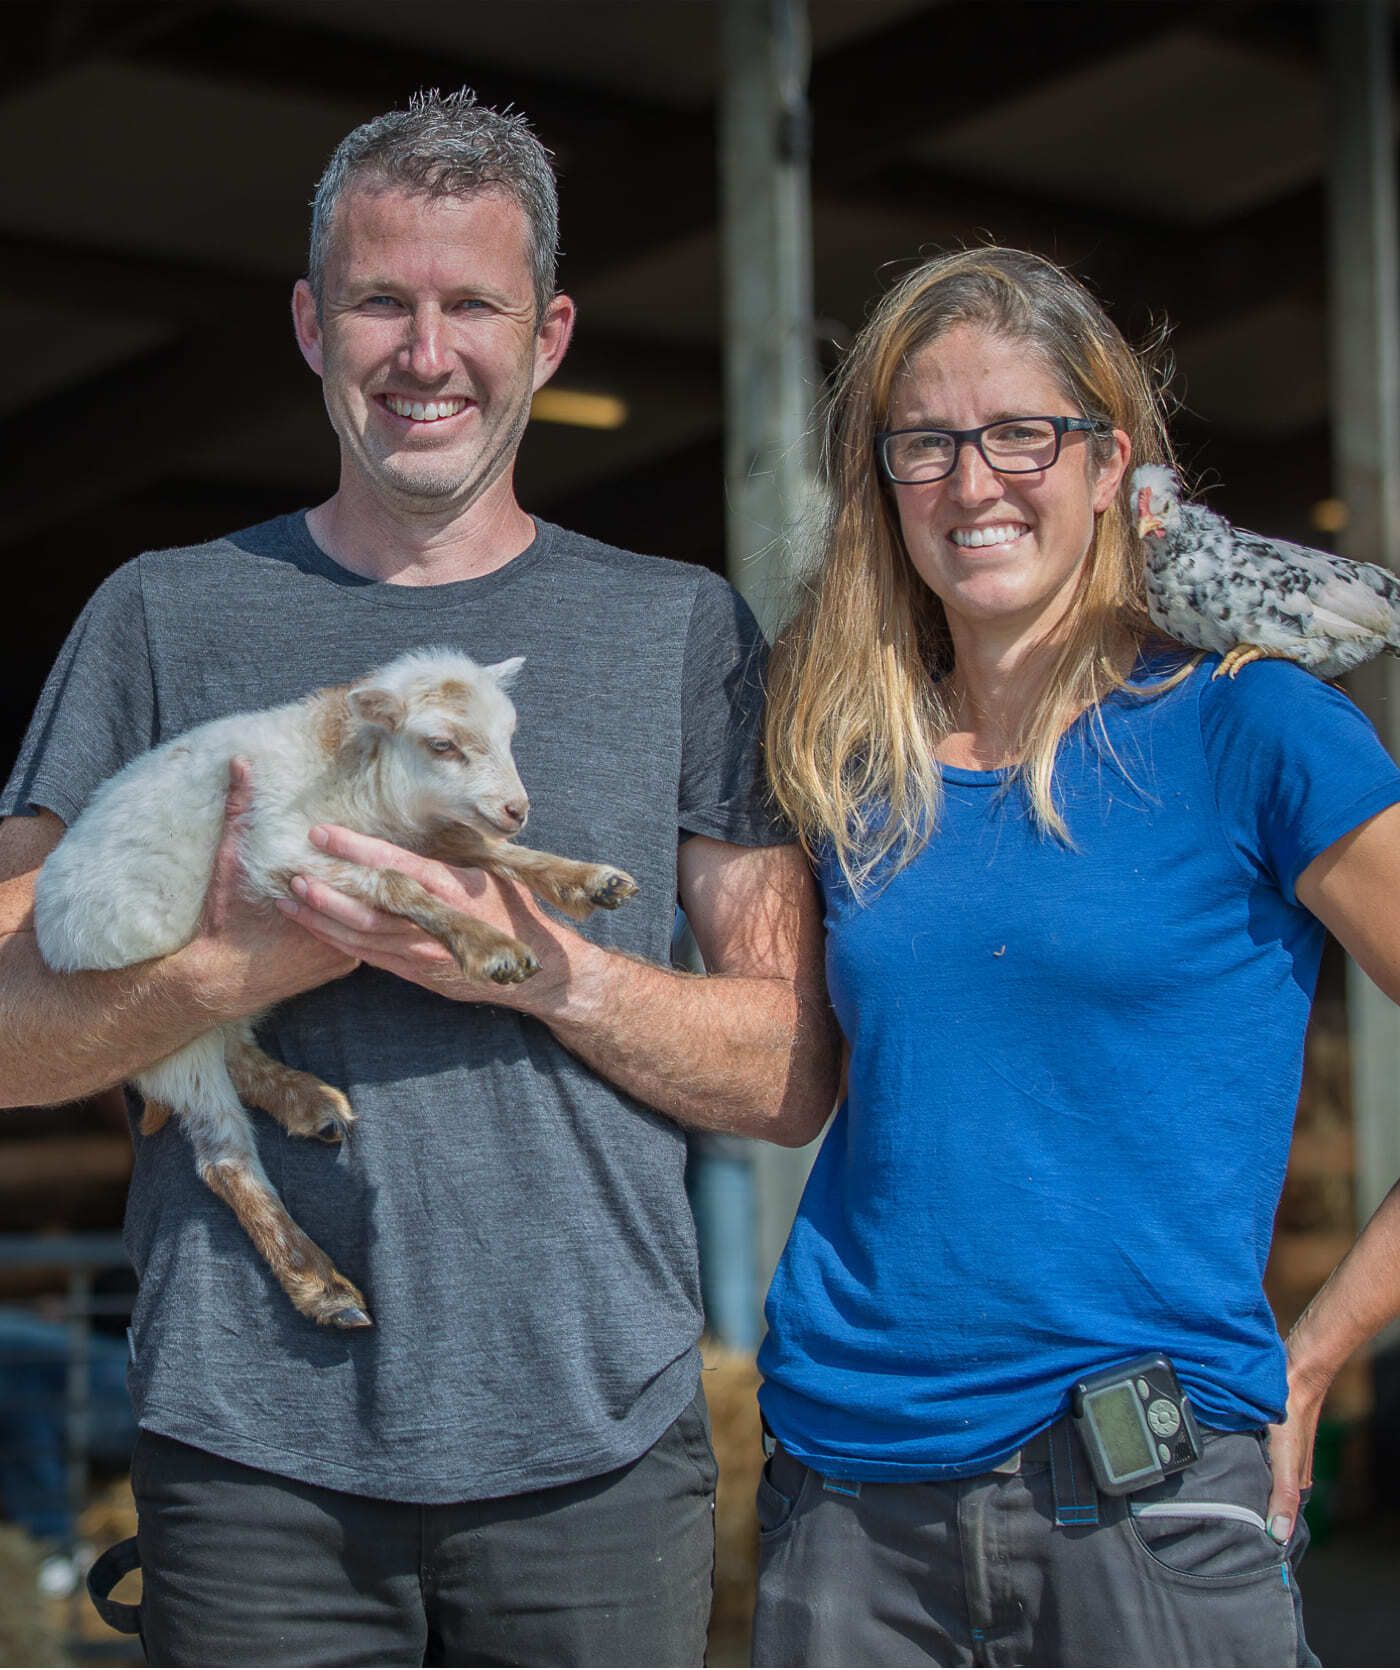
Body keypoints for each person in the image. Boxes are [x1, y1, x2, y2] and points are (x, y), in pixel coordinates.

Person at [0, 90, 837, 1667]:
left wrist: (543, 967)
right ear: (312, 325)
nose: (426, 352)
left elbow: (790, 1066)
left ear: (551, 336)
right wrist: (232, 967)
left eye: (475, 307)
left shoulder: (678, 632)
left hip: (596, 1457)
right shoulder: (161, 620)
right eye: (383, 301)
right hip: (251, 1466)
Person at [752, 245, 1400, 1668]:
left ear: (1110, 465)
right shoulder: (847, 763)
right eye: (926, 442)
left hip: (1146, 1502)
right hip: (846, 1505)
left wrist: (1314, 1355)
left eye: (1021, 435)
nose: (973, 481)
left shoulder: (1251, 728)